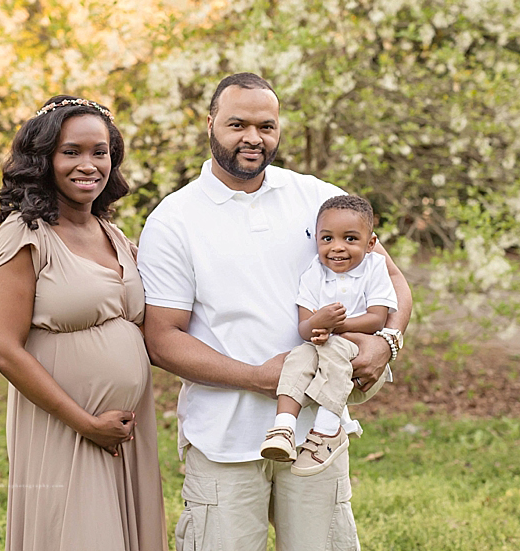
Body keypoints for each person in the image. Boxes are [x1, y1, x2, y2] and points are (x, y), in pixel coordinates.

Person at [137, 72, 412, 551]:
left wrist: (387, 344)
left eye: (266, 126)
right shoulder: (174, 220)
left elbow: (391, 280)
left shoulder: (315, 198)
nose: (253, 138)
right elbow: (162, 338)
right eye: (237, 124)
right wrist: (255, 378)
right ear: (209, 124)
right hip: (224, 437)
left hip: (315, 436)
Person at [0, 95, 166, 551]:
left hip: (126, 431)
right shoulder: (24, 233)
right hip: (66, 429)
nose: (89, 164)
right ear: (43, 159)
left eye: (99, 152)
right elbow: (2, 349)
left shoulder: (113, 233)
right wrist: (85, 423)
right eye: (72, 152)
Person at [260, 195, 398, 476]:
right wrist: (316, 326)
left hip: (358, 354)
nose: (337, 247)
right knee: (298, 356)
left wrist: (334, 327)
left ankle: (327, 432)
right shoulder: (314, 273)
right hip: (321, 347)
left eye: (350, 239)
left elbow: (376, 319)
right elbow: (304, 328)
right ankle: (284, 428)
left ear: (370, 243)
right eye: (327, 239)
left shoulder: (375, 268)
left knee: (335, 351)